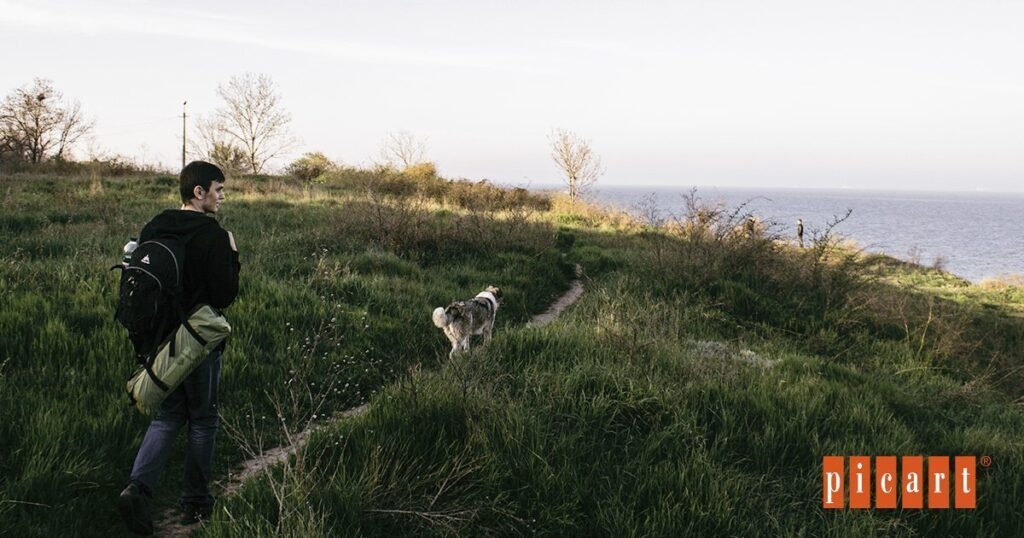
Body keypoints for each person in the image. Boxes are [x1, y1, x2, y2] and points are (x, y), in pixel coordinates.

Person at [118, 161, 241, 535]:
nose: (222, 197)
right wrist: (233, 255)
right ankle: (195, 502)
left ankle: (137, 488)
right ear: (199, 192)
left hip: (158, 342)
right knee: (203, 419)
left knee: (168, 417)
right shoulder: (214, 236)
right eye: (218, 190)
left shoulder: (155, 224)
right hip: (197, 343)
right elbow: (224, 295)